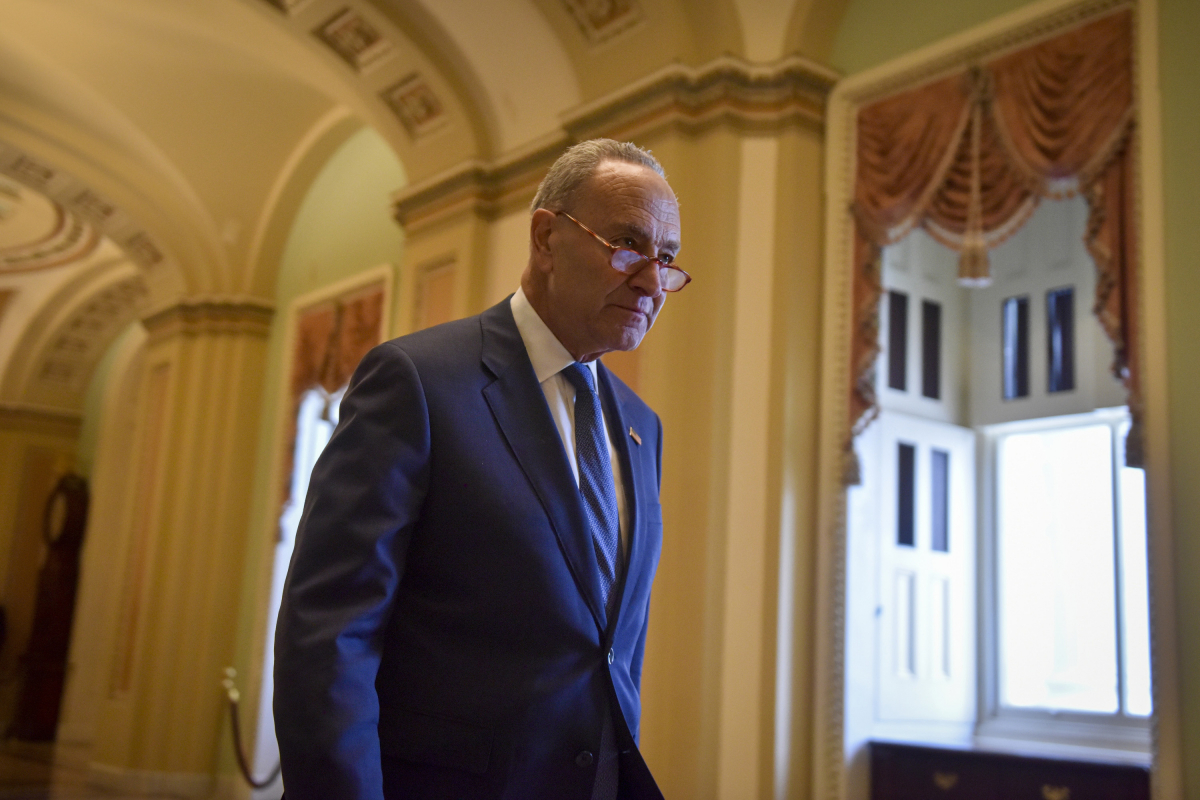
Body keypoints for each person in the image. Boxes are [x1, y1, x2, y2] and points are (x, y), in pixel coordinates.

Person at [273, 138, 688, 800]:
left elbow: (610, 649)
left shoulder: (641, 427)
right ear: (546, 239)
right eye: (628, 246)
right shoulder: (419, 382)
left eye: (665, 260)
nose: (649, 280)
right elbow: (331, 635)